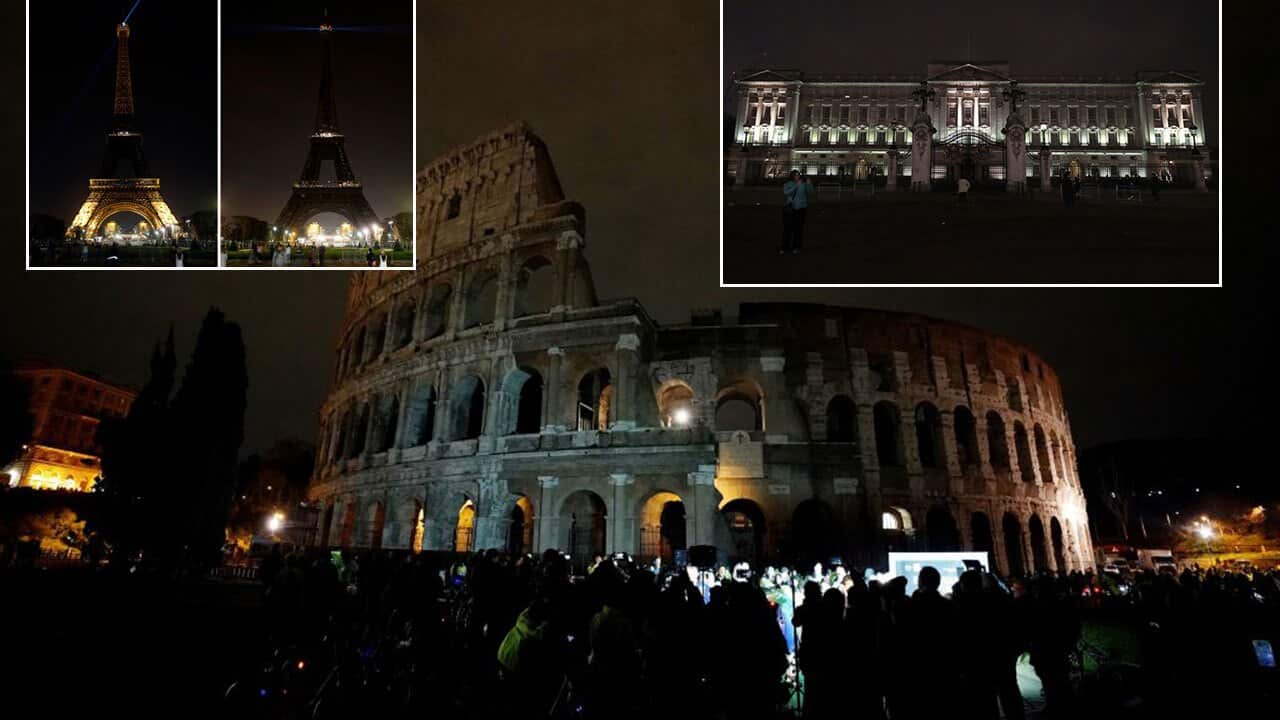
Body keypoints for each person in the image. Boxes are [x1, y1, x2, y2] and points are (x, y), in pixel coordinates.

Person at [781, 170, 813, 255]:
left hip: (801, 208)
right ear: (792, 176)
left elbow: (810, 193)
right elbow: (786, 192)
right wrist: (796, 186)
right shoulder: (787, 184)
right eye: (795, 175)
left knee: (798, 229)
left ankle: (796, 247)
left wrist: (809, 184)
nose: (797, 177)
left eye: (798, 175)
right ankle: (785, 246)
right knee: (787, 229)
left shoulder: (803, 184)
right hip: (790, 209)